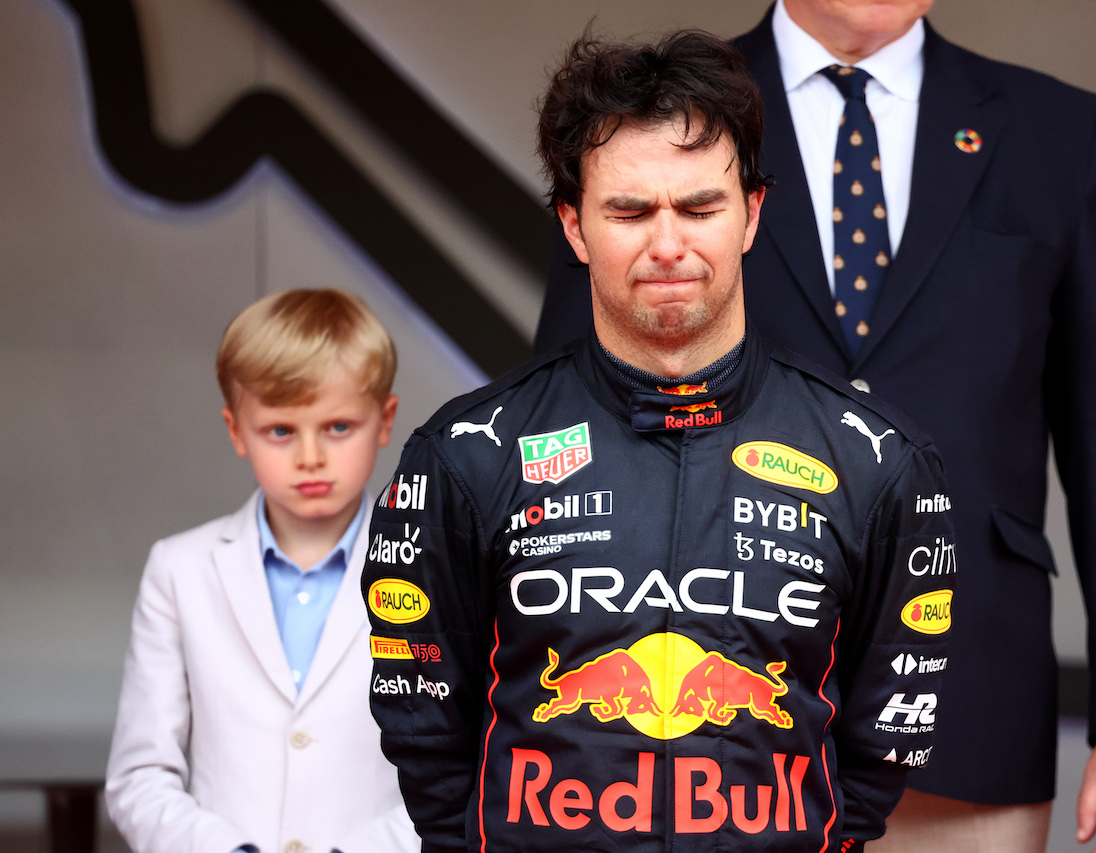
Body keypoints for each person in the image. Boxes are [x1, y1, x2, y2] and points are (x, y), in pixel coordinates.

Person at [536, 3, 1096, 853]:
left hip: (966, 704)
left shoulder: (1057, 132)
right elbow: (566, 412)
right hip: (695, 700)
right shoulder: (643, 114)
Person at [364, 30, 958, 852]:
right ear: (574, 227)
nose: (669, 243)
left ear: (752, 212)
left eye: (700, 207)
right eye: (631, 210)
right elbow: (427, 734)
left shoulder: (878, 462)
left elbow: (880, 743)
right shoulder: (465, 456)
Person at [106, 289, 418, 853]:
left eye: (338, 426)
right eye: (280, 430)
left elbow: (463, 769)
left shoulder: (435, 568)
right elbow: (139, 776)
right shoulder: (179, 571)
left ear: (385, 419)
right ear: (235, 429)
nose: (310, 457)